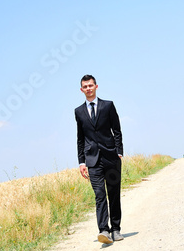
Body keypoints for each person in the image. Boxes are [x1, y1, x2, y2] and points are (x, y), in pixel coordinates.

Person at [74, 74, 124, 244]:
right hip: (92, 160)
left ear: (96, 86)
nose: (88, 88)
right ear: (81, 90)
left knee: (113, 193)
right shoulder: (79, 112)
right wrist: (81, 162)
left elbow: (117, 130)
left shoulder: (108, 106)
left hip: (111, 157)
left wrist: (119, 152)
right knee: (99, 194)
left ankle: (116, 229)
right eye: (85, 86)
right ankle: (104, 230)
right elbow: (80, 138)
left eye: (90, 85)